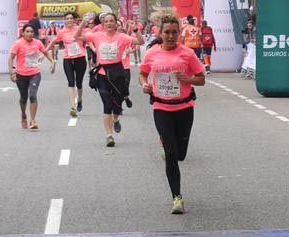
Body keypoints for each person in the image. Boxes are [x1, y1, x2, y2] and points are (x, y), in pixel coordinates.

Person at [140, 15, 206, 215]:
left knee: (181, 154)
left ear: (179, 33)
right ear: (160, 33)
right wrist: (144, 84)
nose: (170, 36)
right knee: (170, 154)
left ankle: (167, 143)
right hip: (161, 108)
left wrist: (188, 79)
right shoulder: (151, 53)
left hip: (184, 108)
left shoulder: (187, 54)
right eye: (166, 32)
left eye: (174, 32)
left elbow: (201, 79)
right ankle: (176, 197)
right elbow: (143, 72)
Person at [77, 12, 136, 147]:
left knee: (117, 105)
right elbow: (77, 36)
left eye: (111, 21)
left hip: (118, 73)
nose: (109, 23)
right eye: (106, 21)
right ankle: (109, 135)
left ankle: (116, 119)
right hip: (102, 74)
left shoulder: (121, 37)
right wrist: (83, 22)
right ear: (103, 24)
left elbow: (140, 42)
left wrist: (136, 30)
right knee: (106, 104)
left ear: (116, 24)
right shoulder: (97, 36)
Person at [7, 25, 55, 130]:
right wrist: (11, 73)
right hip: (21, 75)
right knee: (23, 97)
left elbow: (45, 52)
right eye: (27, 31)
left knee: (33, 95)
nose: (30, 34)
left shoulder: (37, 43)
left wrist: (52, 62)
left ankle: (33, 120)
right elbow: (11, 57)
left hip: (35, 74)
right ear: (23, 33)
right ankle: (24, 115)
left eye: (32, 32)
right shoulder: (18, 43)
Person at [51, 13, 88, 117]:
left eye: (71, 18)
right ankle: (73, 107)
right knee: (71, 82)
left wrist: (79, 38)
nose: (69, 20)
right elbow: (54, 41)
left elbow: (86, 39)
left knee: (79, 83)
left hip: (80, 58)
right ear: (64, 20)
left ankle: (79, 99)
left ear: (74, 20)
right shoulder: (62, 32)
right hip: (67, 59)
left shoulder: (79, 28)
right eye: (67, 18)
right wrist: (45, 52)